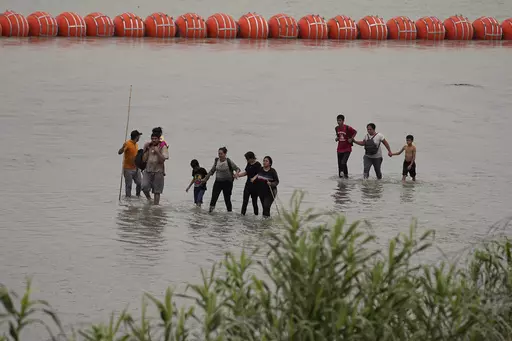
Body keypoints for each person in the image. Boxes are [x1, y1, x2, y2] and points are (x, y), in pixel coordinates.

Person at [202, 147, 241, 213]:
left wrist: (236, 174)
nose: (219, 155)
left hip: (227, 183)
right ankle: (210, 212)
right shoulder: (217, 161)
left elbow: (237, 169)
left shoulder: (228, 161)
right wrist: (205, 179)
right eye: (219, 153)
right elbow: (212, 171)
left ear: (225, 154)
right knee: (214, 198)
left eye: (221, 153)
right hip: (218, 182)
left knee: (227, 199)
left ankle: (229, 213)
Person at [142, 132, 170, 205]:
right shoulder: (149, 146)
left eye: (155, 139)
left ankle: (155, 207)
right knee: (144, 186)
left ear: (159, 139)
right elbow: (144, 160)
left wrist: (157, 152)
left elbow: (163, 160)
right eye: (152, 138)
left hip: (158, 171)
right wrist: (145, 150)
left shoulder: (162, 146)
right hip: (148, 170)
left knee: (157, 191)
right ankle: (149, 199)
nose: (154, 140)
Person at [118, 130, 143, 197]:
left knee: (140, 183)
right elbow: (119, 152)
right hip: (127, 168)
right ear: (136, 137)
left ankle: (138, 196)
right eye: (139, 136)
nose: (139, 138)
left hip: (136, 168)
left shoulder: (136, 145)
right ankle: (128, 198)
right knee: (129, 185)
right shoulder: (127, 143)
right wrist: (123, 148)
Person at [237, 151, 262, 216]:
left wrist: (254, 177)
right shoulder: (249, 163)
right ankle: (242, 215)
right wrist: (238, 175)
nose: (247, 160)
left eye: (247, 159)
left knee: (254, 203)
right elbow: (246, 172)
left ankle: (256, 216)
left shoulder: (258, 164)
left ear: (252, 158)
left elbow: (260, 173)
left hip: (255, 187)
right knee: (245, 202)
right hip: (248, 185)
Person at [334, 114, 357, 178]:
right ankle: (343, 178)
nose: (338, 122)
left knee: (343, 163)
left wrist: (351, 139)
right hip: (339, 149)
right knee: (340, 165)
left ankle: (344, 176)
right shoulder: (336, 128)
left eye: (340, 120)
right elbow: (338, 136)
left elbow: (355, 132)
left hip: (347, 149)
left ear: (343, 121)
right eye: (337, 120)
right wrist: (337, 138)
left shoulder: (347, 127)